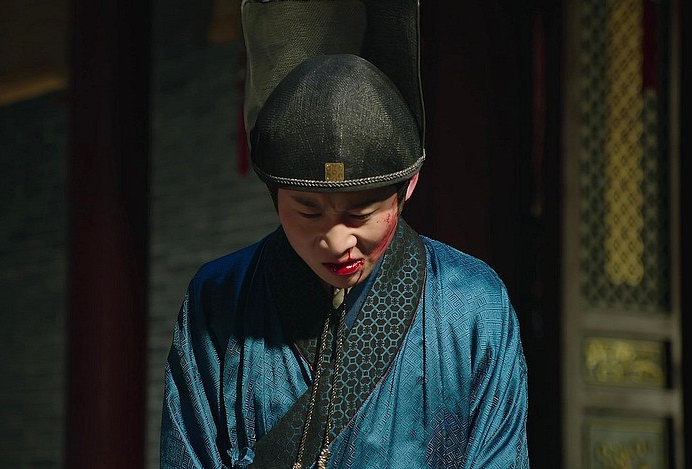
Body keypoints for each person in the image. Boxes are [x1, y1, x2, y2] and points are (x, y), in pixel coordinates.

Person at [161, 3, 529, 468]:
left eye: (361, 212)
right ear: (274, 194)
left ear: (407, 188)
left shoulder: (473, 303)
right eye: (308, 212)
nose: (336, 242)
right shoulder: (218, 299)